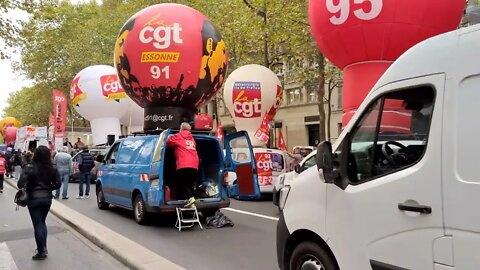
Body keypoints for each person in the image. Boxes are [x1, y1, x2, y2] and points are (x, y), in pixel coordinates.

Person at [17, 146, 61, 260]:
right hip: (47, 199)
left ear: (35, 154)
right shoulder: (52, 168)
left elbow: (20, 184)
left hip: (33, 198)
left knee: (38, 224)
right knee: (42, 222)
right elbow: (58, 184)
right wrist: (48, 188)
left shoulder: (29, 167)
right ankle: (43, 247)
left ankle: (41, 251)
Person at [166, 122, 199, 204]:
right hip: (194, 164)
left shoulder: (178, 136)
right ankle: (191, 199)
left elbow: (167, 142)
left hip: (183, 164)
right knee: (190, 183)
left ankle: (182, 201)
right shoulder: (191, 138)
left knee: (181, 183)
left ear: (181, 129)